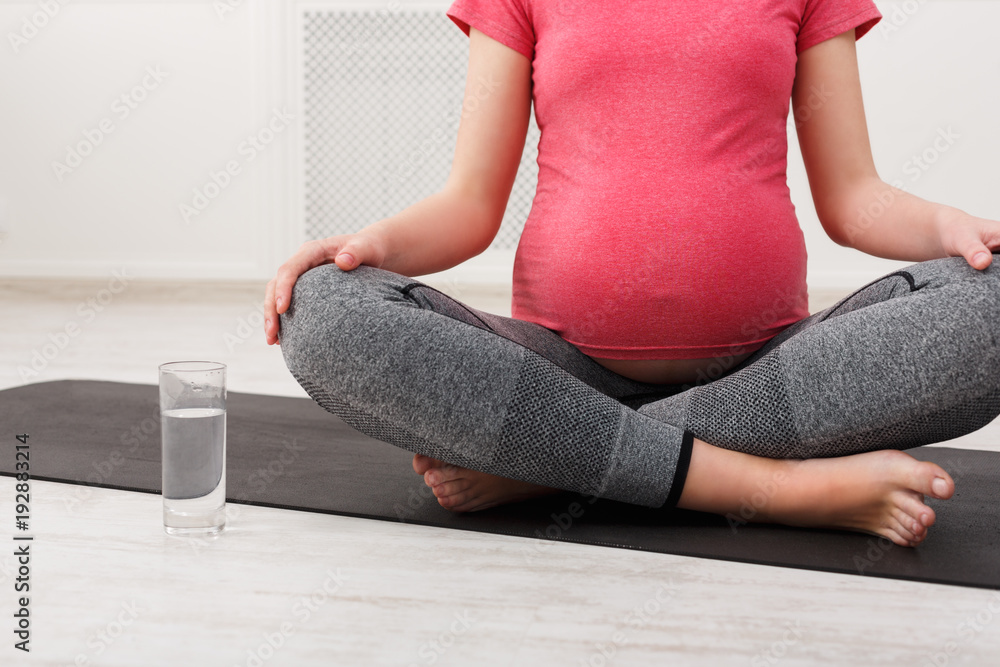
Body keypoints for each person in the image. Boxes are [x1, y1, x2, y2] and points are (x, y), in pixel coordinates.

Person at [263, 0, 1000, 548]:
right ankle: (768, 485)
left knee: (992, 302)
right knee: (321, 308)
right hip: (557, 371)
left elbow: (853, 198)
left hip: (772, 372)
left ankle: (555, 460)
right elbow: (469, 204)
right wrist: (366, 247)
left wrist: (949, 228)